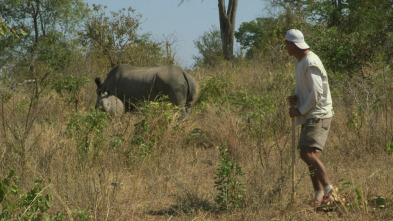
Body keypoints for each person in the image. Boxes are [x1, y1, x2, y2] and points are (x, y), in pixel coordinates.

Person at [285, 29, 335, 206]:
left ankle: (330, 191)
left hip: (318, 113)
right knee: (309, 155)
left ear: (291, 45)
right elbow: (306, 90)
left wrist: (300, 110)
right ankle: (318, 196)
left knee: (307, 153)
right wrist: (295, 98)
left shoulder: (310, 61)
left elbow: (316, 93)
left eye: (286, 44)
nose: (285, 48)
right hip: (310, 114)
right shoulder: (301, 62)